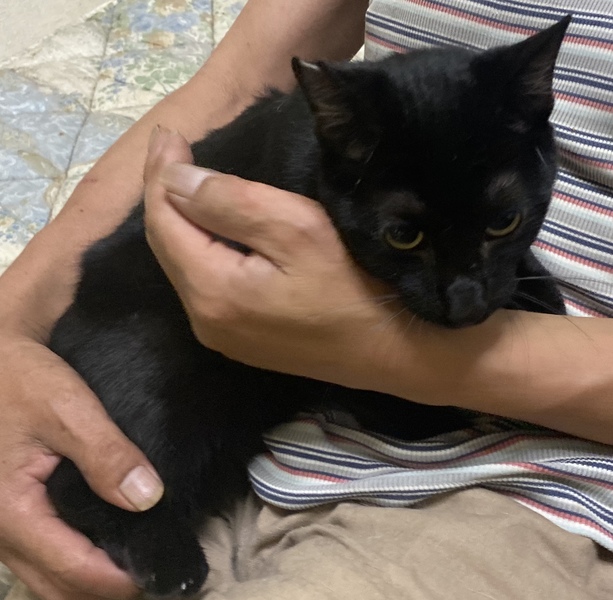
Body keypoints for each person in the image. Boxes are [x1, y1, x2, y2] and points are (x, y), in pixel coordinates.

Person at [0, 0, 611, 599]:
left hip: (533, 482)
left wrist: (378, 352)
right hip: (237, 428)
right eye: (405, 237)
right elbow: (238, 81)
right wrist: (10, 335)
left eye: (504, 224)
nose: (464, 298)